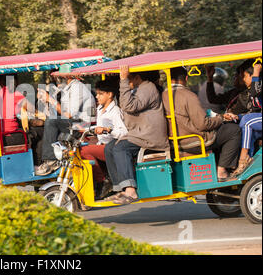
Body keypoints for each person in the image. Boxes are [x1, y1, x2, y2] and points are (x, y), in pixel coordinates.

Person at [162, 67, 241, 181]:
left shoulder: (163, 95)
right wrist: (221, 118)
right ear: (186, 78)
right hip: (194, 141)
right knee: (233, 130)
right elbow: (203, 124)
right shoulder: (188, 95)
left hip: (175, 141)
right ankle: (221, 171)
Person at [103, 66, 169, 204]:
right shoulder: (139, 89)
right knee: (109, 148)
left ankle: (131, 191)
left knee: (120, 148)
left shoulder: (148, 87)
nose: (127, 81)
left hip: (150, 136)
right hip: (139, 134)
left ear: (138, 77)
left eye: (129, 78)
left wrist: (123, 80)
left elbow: (129, 106)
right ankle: (120, 187)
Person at [35, 72, 95, 176]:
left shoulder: (77, 88)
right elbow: (58, 112)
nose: (57, 79)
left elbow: (68, 115)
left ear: (66, 76)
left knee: (51, 122)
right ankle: (45, 162)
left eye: (59, 76)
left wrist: (51, 100)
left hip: (82, 125)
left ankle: (51, 161)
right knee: (42, 133)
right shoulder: (67, 89)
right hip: (73, 123)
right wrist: (46, 101)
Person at [80, 79, 127, 200]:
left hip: (112, 147)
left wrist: (107, 129)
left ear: (110, 94)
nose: (97, 96)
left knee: (84, 151)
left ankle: (103, 180)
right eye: (97, 93)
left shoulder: (115, 111)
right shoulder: (100, 109)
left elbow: (123, 133)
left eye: (100, 94)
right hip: (101, 143)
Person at [223, 62, 262, 177]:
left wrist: (256, 71)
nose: (243, 80)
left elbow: (255, 92)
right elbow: (254, 112)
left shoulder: (257, 86)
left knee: (247, 121)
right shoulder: (251, 89)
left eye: (244, 76)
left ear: (252, 76)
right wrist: (237, 117)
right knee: (249, 130)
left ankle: (242, 160)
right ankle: (247, 167)